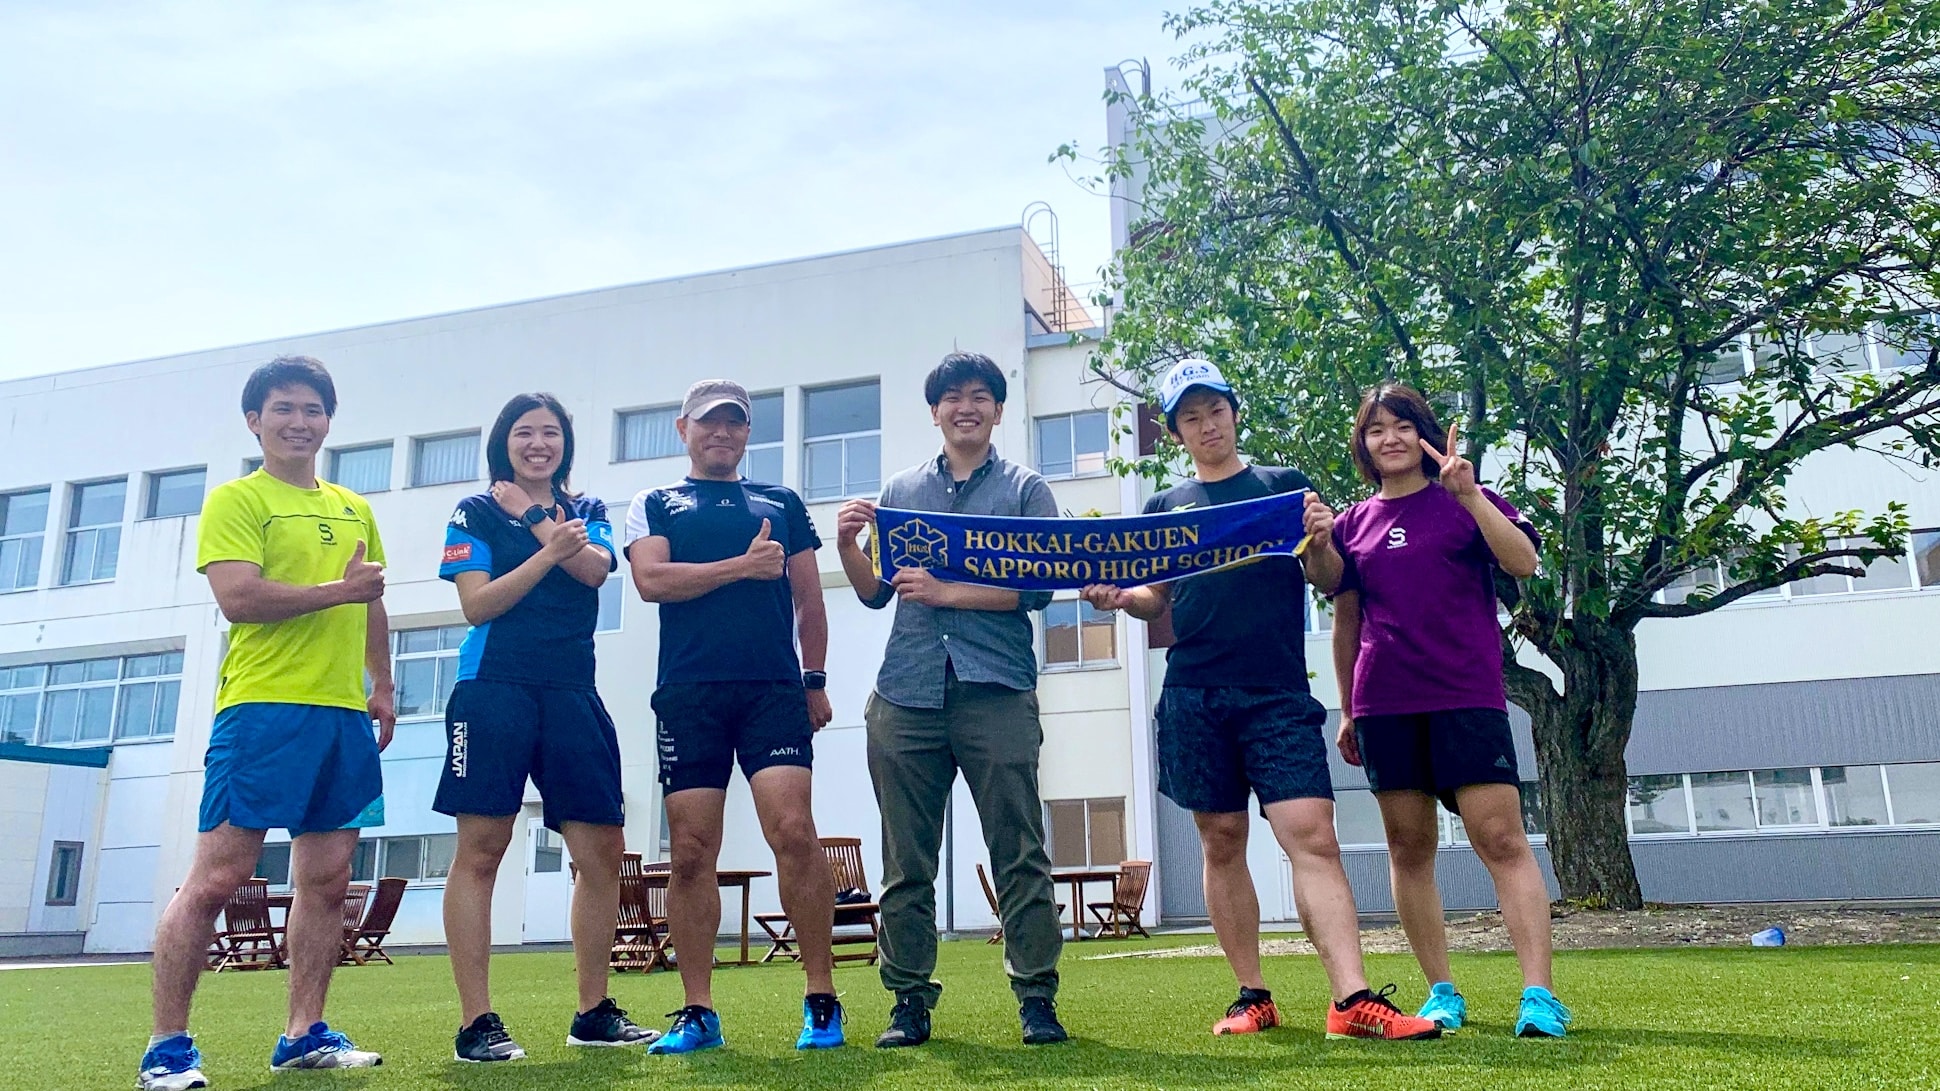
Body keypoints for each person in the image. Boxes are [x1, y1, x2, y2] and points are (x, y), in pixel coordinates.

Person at [1080, 359, 1442, 1042]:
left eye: (1214, 409)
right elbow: (1155, 599)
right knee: (1221, 841)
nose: (1205, 424)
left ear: (1234, 412)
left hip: (1277, 690)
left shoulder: (1283, 488)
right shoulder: (1165, 508)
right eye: (1190, 416)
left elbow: (1328, 579)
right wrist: (1116, 597)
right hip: (1193, 692)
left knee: (1314, 834)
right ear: (1177, 430)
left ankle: (1353, 998)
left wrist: (1324, 537)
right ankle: (1254, 995)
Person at [139, 356, 394, 1091]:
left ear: (327, 421)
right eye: (283, 408)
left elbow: (369, 598)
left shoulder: (355, 507)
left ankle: (303, 1033)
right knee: (218, 877)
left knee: (327, 880)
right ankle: (167, 1048)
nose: (298, 421)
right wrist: (337, 589)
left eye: (312, 409)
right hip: (262, 707)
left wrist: (382, 684)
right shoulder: (236, 499)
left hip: (342, 715)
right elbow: (240, 597)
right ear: (255, 420)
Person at [835, 351, 1069, 1049]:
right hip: (906, 692)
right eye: (952, 397)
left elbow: (1039, 587)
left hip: (995, 688)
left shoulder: (1028, 490)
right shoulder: (902, 488)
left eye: (980, 396)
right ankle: (908, 1000)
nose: (965, 406)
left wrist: (950, 591)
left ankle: (1037, 998)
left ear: (997, 410)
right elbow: (876, 591)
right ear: (934, 410)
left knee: (1019, 850)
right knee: (906, 861)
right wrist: (850, 544)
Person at [1329, 382, 1570, 1038]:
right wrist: (1348, 706)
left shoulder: (1468, 497)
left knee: (1502, 840)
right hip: (1386, 705)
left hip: (1466, 695)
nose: (1391, 438)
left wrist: (1469, 496)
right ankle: (1441, 992)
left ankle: (1539, 996)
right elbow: (1346, 621)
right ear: (1364, 444)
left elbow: (1523, 559)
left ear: (1427, 433)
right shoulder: (1352, 524)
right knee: (1409, 846)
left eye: (1403, 425)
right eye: (1377, 429)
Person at [434, 392, 653, 1061]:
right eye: (524, 432)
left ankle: (592, 1012)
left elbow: (592, 571)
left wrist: (534, 518)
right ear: (504, 441)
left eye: (550, 433)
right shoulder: (471, 511)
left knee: (602, 851)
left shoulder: (586, 510)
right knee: (483, 847)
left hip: (570, 690)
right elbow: (477, 604)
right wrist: (544, 548)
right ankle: (478, 1023)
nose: (538, 443)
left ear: (566, 442)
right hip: (492, 688)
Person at [627, 379, 844, 1053]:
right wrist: (742, 567)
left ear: (748, 434)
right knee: (690, 851)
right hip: (689, 694)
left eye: (735, 423)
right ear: (682, 427)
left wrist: (814, 680)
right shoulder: (655, 501)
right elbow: (651, 582)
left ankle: (821, 998)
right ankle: (698, 1010)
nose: (722, 432)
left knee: (795, 831)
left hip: (771, 692)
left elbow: (809, 601)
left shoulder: (780, 501)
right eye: (709, 421)